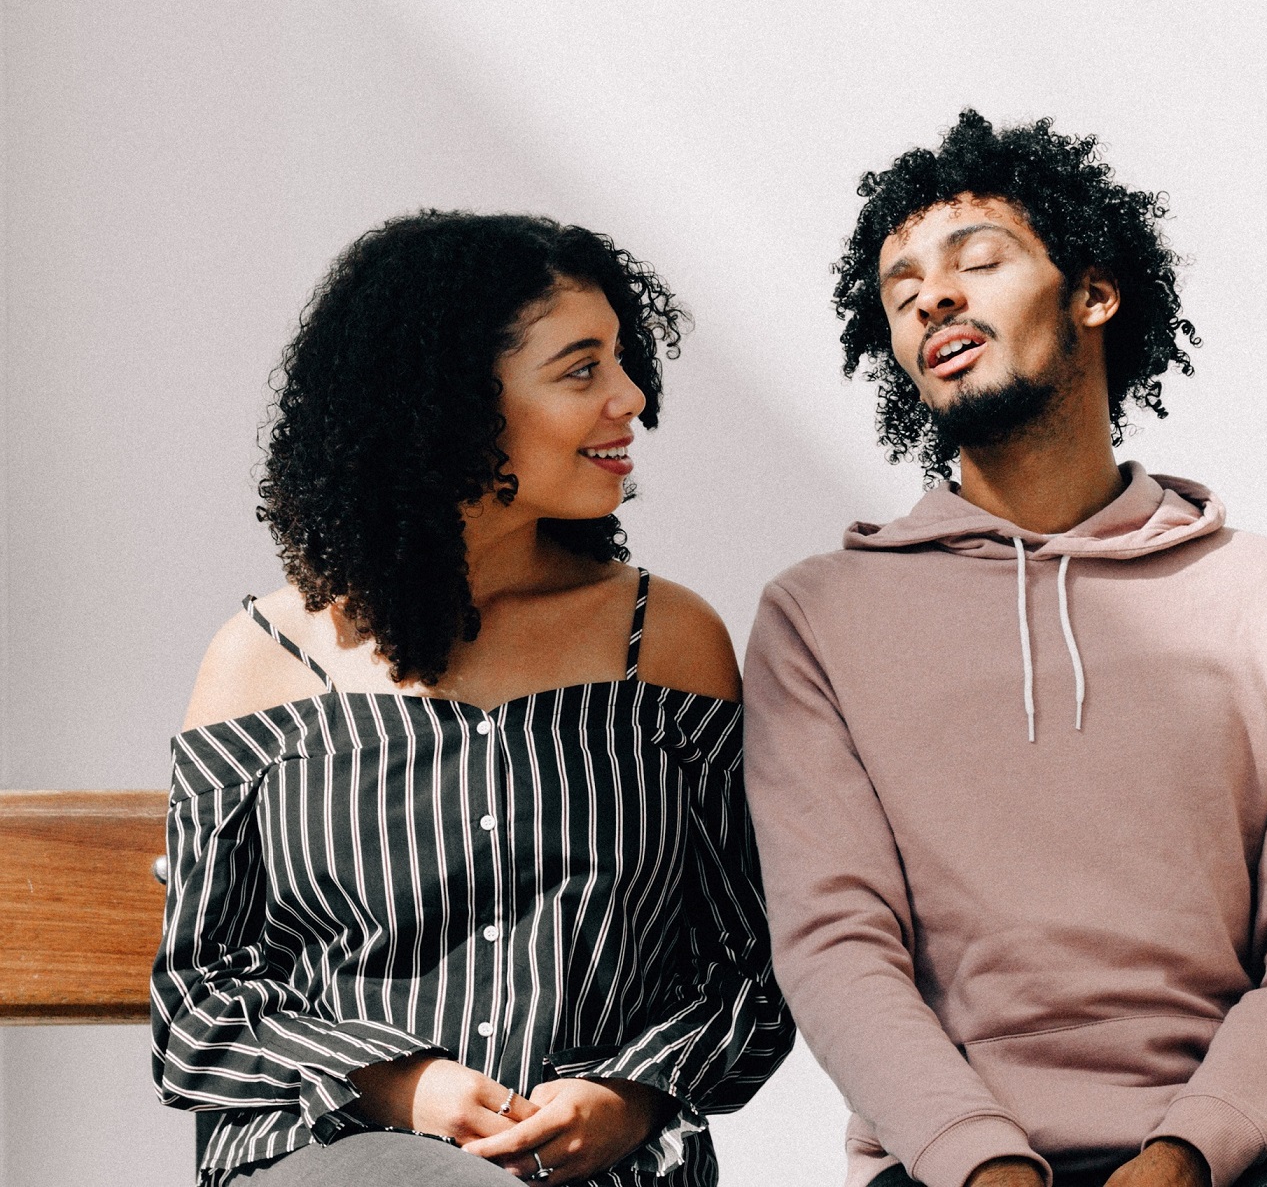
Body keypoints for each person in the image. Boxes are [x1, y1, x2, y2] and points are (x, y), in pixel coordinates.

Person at [743, 111, 1267, 1187]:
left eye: (975, 262)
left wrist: (1185, 1153)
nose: (931, 299)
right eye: (901, 293)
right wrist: (983, 1164)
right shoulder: (819, 617)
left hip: (1224, 1160)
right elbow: (836, 947)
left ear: (1093, 292)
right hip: (946, 1165)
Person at [152, 212, 793, 1187]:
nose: (630, 398)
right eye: (581, 369)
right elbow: (197, 1009)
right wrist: (394, 1086)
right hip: (332, 1164)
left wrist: (633, 1094)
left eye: (622, 362)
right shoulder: (261, 660)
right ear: (447, 403)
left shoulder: (664, 645)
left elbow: (750, 966)